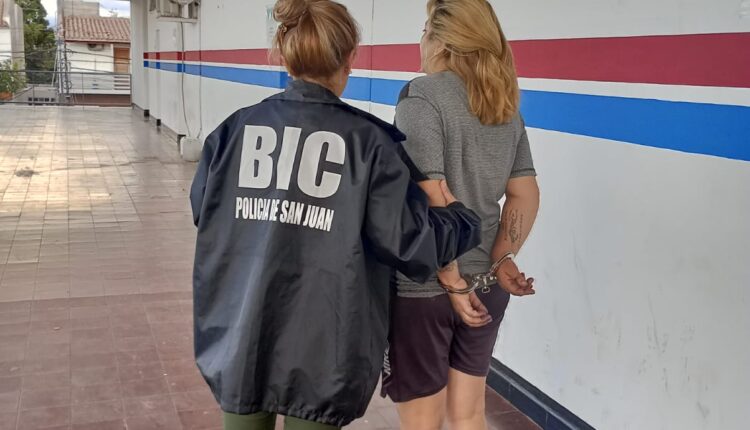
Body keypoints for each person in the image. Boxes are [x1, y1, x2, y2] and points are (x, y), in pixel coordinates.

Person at [189, 0, 485, 429]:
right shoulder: (370, 144)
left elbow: (204, 211)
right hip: (323, 350)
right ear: (350, 59)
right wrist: (462, 219)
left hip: (241, 333)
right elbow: (410, 241)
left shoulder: (232, 132)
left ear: (285, 56)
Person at [381, 1, 542, 429]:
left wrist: (451, 278)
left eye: (424, 31)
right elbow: (524, 194)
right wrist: (502, 258)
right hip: (487, 285)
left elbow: (430, 194)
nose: (420, 40)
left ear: (443, 43)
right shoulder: (504, 106)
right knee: (469, 414)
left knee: (423, 421)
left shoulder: (421, 96)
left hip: (427, 290)